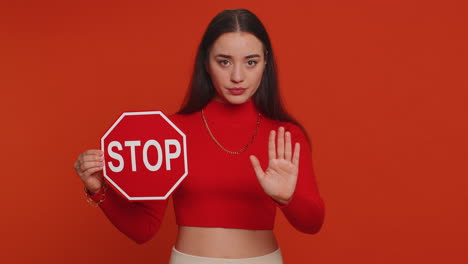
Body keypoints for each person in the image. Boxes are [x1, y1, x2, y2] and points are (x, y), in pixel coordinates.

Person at [74, 8, 325, 264]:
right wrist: (98, 188)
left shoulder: (285, 136)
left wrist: (287, 199)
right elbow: (143, 229)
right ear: (206, 62)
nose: (237, 76)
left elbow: (313, 224)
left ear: (265, 63)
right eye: (224, 61)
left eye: (251, 61)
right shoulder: (168, 132)